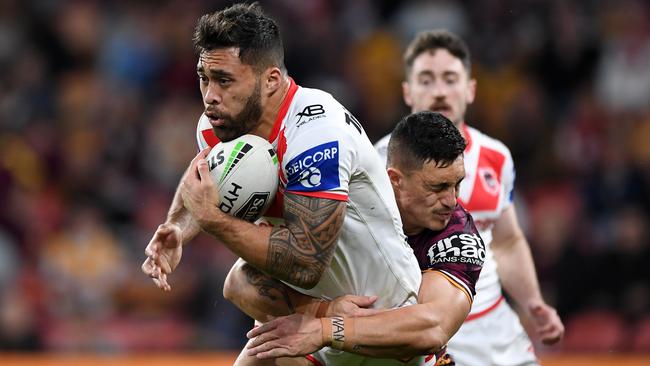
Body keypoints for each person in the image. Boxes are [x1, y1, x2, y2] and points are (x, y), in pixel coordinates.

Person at [140, 3, 424, 365]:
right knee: (240, 283)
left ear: (271, 80)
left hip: (381, 326)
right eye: (204, 78)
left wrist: (212, 220)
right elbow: (203, 180)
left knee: (241, 282)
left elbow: (306, 261)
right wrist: (179, 228)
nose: (210, 95)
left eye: (224, 80)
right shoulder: (219, 125)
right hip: (314, 325)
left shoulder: (316, 133)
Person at [374, 29, 564, 365]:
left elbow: (506, 242)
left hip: (492, 329)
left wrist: (533, 302)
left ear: (470, 89)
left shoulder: (497, 156)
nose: (439, 92)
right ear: (407, 91)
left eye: (450, 79)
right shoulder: (378, 161)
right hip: (422, 328)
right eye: (426, 80)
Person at [245, 111, 485, 365]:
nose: (452, 200)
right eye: (438, 187)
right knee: (265, 344)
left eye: (457, 184)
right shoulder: (339, 203)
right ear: (395, 180)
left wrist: (325, 329)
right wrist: (322, 311)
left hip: (398, 359)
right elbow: (239, 282)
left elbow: (432, 328)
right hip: (328, 351)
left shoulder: (458, 236)